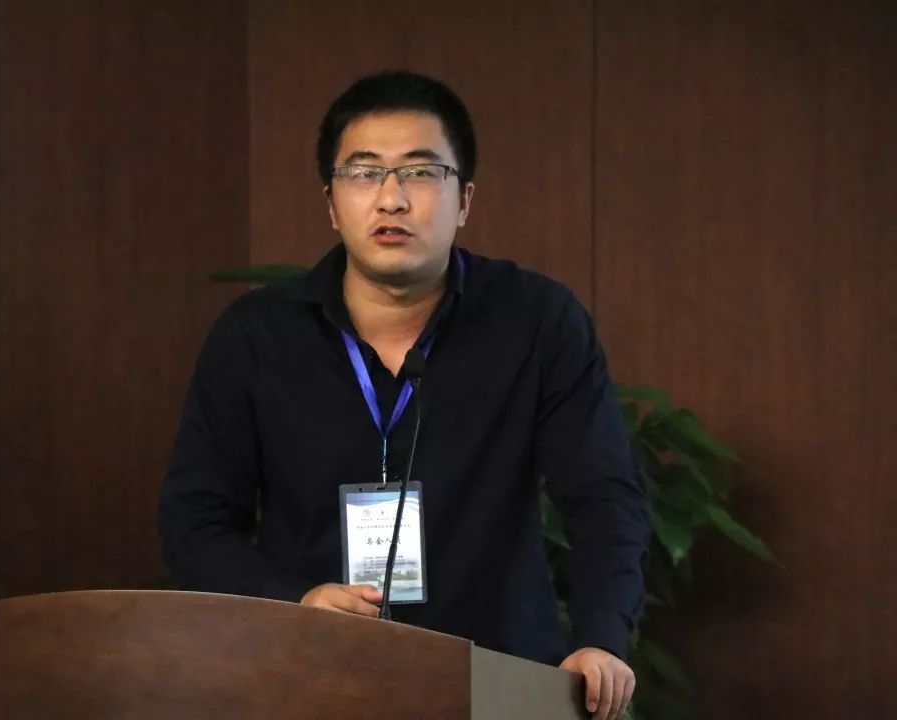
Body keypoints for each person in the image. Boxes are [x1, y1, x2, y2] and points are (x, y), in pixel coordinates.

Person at [159, 70, 649, 720]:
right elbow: (194, 521)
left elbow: (603, 495)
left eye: (420, 172)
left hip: (495, 678)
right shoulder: (257, 336)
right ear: (331, 203)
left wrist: (600, 638)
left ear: (464, 199)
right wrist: (295, 601)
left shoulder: (536, 322)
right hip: (307, 678)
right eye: (364, 173)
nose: (391, 199)